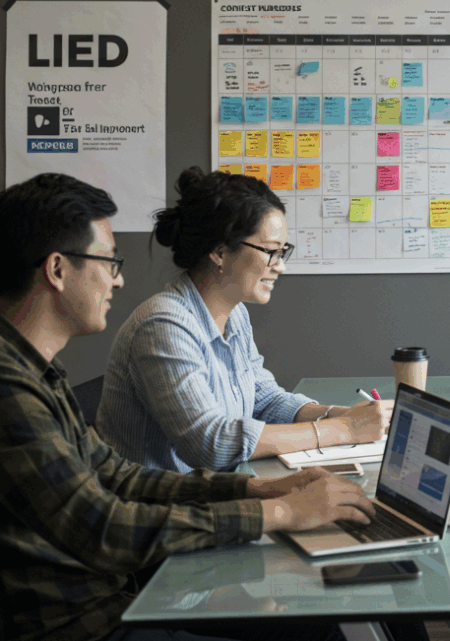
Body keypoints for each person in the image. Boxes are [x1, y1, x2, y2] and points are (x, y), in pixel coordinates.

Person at [0, 173, 377, 641]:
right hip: (86, 618)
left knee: (321, 612)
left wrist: (261, 491)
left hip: (115, 584)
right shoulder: (11, 389)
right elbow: (104, 526)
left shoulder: (39, 373)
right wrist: (283, 511)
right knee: (316, 618)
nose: (118, 279)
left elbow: (118, 477)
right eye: (108, 261)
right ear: (57, 270)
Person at [97, 167, 389, 473]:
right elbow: (212, 445)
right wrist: (343, 430)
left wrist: (344, 416)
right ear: (220, 253)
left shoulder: (234, 314)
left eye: (282, 252)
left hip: (204, 495)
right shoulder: (163, 326)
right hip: (155, 509)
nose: (280, 267)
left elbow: (264, 400)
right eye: (271, 251)